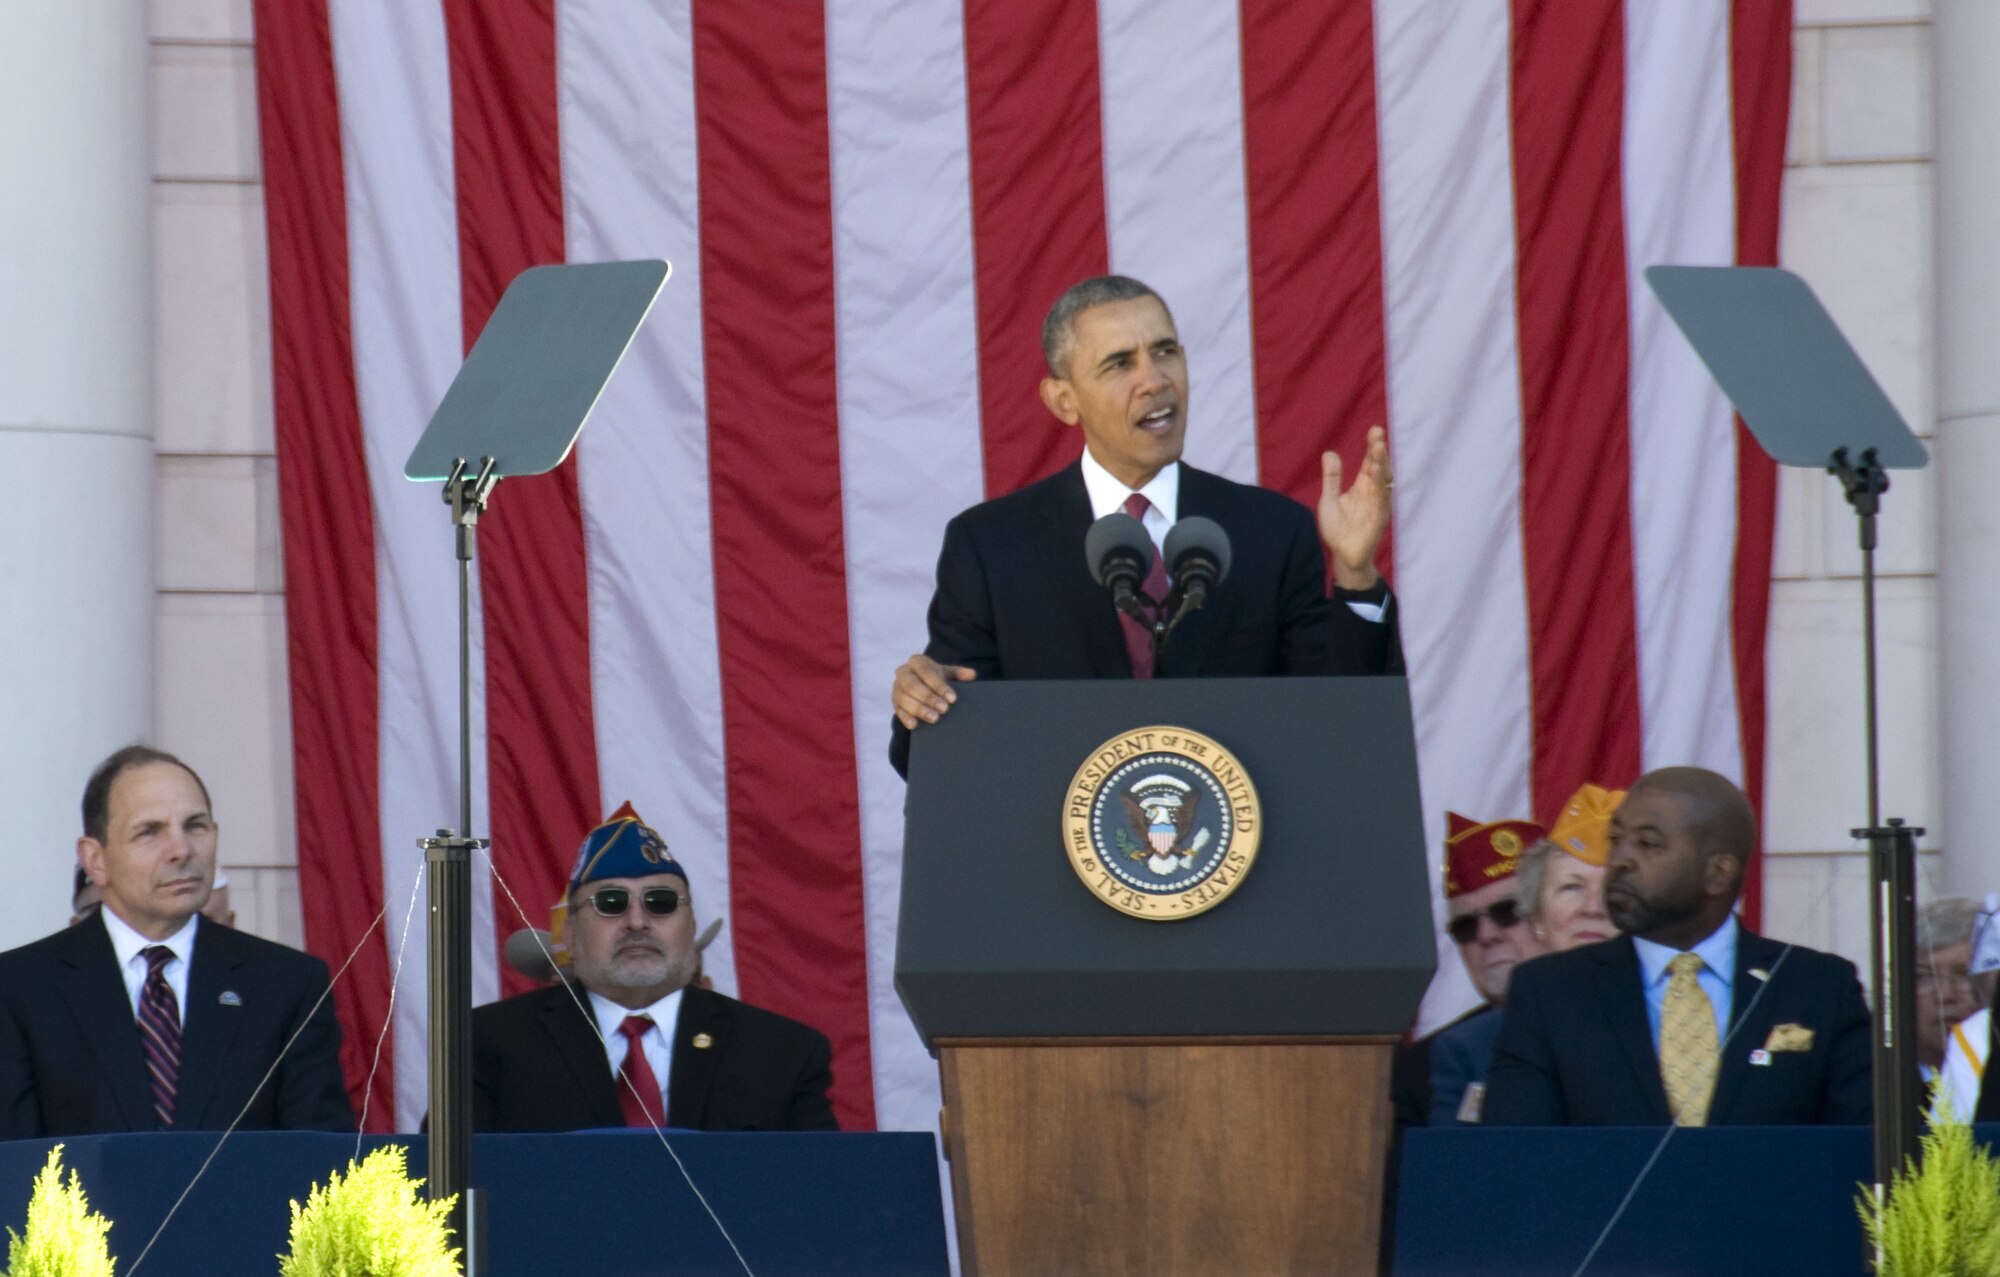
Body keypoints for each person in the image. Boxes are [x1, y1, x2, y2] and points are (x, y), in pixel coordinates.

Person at [888, 275, 1401, 774]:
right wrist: (923, 702)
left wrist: (1355, 573)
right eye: (1119, 364)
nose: (1155, 380)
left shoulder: (1270, 529)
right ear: (1064, 400)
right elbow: (946, 752)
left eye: (1165, 351)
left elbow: (1338, 725)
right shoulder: (990, 546)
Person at [1484, 766, 1871, 1126]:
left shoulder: (1819, 987)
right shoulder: (1549, 992)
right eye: (1616, 840)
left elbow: (1865, 1153)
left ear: (1718, 873)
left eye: (1648, 844)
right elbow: (1515, 1161)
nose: (1619, 860)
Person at [0, 746, 354, 1136]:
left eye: (196, 826)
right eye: (149, 832)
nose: (182, 850)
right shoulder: (21, 989)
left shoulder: (287, 985)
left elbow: (322, 1166)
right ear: (95, 859)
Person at [472, 805, 838, 1132]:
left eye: (660, 903)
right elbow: (434, 1193)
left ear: (690, 926)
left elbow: (821, 1191)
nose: (636, 921)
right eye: (610, 903)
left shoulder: (781, 1052)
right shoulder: (487, 1044)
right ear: (570, 934)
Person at [1424, 812, 1545, 1126]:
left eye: (1508, 911)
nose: (1486, 935)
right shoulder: (1426, 1066)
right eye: (1465, 926)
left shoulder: (1630, 1014)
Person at [1515, 783, 1622, 953]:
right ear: (1536, 918)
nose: (1593, 908)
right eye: (1572, 887)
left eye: (1613, 889)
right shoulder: (1520, 980)